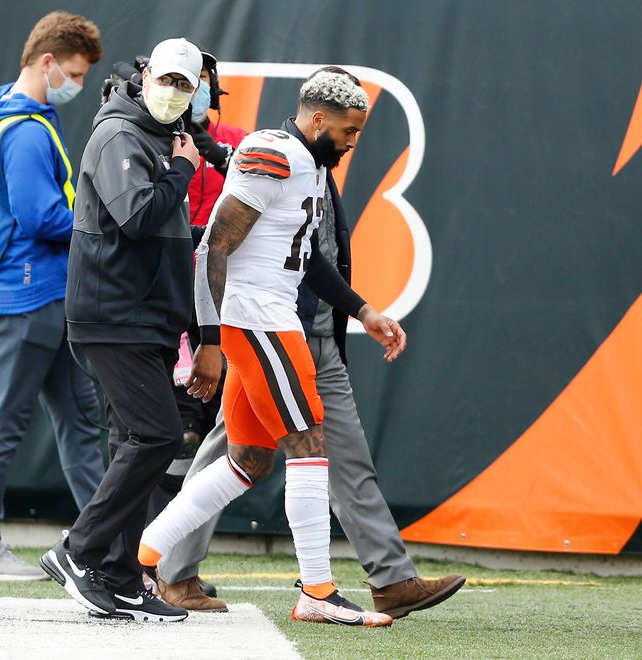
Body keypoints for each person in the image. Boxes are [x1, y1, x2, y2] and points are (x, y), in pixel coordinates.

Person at [154, 66, 465, 618]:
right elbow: (214, 249)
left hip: (295, 327)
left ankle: (138, 555)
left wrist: (360, 309)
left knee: (253, 459)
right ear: (318, 117)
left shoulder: (308, 160)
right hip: (264, 324)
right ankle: (313, 593)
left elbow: (306, 256)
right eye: (349, 131)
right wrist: (210, 338)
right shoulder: (276, 152)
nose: (351, 143)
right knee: (303, 447)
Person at [39, 37, 203, 623]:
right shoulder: (118, 134)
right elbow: (137, 217)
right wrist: (184, 168)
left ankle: (120, 574)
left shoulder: (161, 137)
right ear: (145, 76)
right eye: (167, 80)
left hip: (147, 317)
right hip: (114, 314)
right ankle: (77, 550)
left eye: (186, 85)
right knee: (157, 437)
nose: (174, 93)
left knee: (132, 443)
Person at [0, 11, 104, 581]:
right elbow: (42, 216)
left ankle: (106, 546)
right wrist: (104, 224)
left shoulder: (3, 117)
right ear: (47, 62)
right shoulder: (22, 129)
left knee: (79, 421)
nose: (77, 85)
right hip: (28, 294)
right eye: (73, 73)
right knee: (6, 421)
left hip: (31, 291)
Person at [149, 48, 248, 522]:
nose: (195, 89)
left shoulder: (237, 142)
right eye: (188, 80)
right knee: (161, 426)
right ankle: (143, 546)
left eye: (203, 80)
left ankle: (176, 555)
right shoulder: (152, 137)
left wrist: (212, 150)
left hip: (219, 293)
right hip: (163, 287)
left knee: (206, 426)